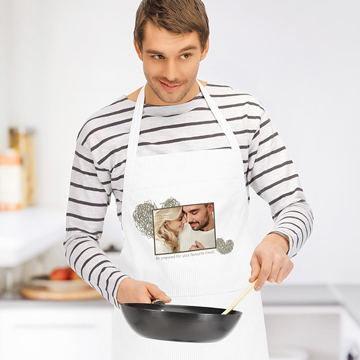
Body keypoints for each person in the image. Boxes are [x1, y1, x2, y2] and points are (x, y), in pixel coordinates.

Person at [64, 0, 314, 358]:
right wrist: (118, 286)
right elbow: (78, 237)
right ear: (137, 48)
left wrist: (279, 240)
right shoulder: (102, 132)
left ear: (205, 47)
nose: (171, 73)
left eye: (185, 55)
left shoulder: (244, 115)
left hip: (234, 337)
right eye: (156, 56)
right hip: (145, 340)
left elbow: (296, 206)